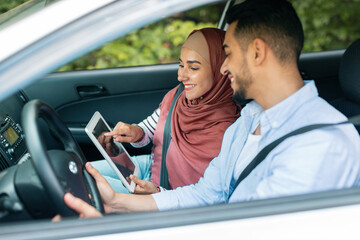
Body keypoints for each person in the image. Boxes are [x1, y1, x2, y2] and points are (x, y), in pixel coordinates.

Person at [59, 0, 360, 217]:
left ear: (257, 52)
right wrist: (116, 204)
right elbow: (207, 195)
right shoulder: (246, 121)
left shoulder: (320, 143)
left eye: (227, 53)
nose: (224, 67)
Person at [91, 27, 240, 194]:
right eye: (181, 65)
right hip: (151, 166)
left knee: (87, 189)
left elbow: (206, 196)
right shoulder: (178, 96)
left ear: (220, 69)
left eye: (193, 68)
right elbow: (150, 129)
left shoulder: (228, 130)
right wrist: (136, 132)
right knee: (84, 174)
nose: (181, 76)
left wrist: (158, 193)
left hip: (168, 195)